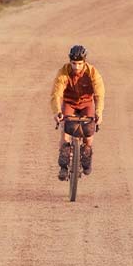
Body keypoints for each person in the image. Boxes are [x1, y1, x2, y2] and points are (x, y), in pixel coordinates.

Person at [50, 44, 105, 180]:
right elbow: (56, 94)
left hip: (86, 103)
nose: (76, 67)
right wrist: (57, 112)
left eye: (79, 64)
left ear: (84, 62)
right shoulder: (64, 72)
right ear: (70, 62)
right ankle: (63, 166)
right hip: (69, 103)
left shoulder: (92, 72)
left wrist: (99, 113)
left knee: (89, 132)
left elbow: (99, 95)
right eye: (74, 63)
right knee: (65, 132)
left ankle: (86, 156)